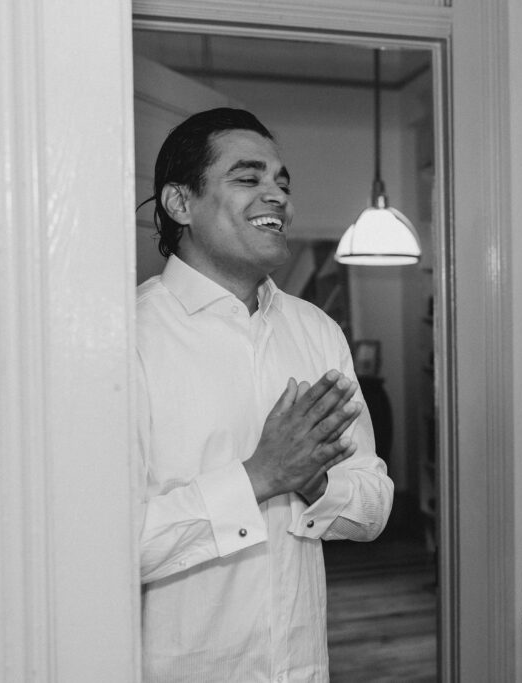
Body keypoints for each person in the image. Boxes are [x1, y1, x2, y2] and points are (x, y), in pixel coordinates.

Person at [136, 108, 394, 682]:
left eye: (282, 181)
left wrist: (316, 480)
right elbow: (111, 545)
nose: (276, 195)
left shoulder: (317, 332)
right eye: (249, 178)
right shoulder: (129, 340)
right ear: (181, 204)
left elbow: (374, 506)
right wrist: (259, 476)